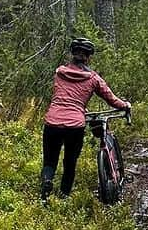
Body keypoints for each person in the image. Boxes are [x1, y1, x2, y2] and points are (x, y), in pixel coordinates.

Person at [40, 37, 131, 201]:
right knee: (70, 163)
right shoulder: (93, 78)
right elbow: (111, 99)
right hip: (75, 126)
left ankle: (46, 186)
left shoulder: (59, 72)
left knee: (49, 161)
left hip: (52, 122)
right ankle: (63, 197)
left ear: (72, 54)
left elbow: (64, 96)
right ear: (89, 57)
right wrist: (125, 105)